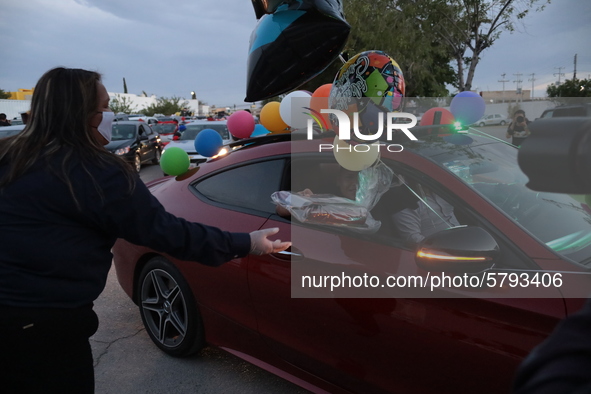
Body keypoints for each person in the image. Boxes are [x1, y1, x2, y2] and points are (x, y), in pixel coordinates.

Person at [0, 67, 290, 394]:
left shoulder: (9, 157)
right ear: (83, 115)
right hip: (48, 332)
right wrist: (245, 242)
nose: (109, 115)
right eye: (104, 108)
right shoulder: (99, 173)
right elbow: (168, 234)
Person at [391, 181, 460, 244]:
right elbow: (412, 237)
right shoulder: (404, 200)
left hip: (461, 237)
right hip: (442, 249)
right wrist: (438, 248)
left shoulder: (440, 190)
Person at [275, 167, 358, 217]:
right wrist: (302, 200)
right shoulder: (327, 201)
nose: (356, 183)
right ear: (338, 180)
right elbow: (280, 208)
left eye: (363, 178)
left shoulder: (370, 208)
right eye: (349, 177)